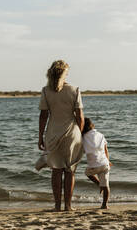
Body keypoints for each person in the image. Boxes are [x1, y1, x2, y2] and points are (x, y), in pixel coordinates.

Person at [38, 60, 84, 211]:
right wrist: (82, 134)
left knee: (56, 171)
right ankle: (68, 207)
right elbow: (79, 116)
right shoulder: (75, 89)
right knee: (70, 171)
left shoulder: (46, 91)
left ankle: (57, 206)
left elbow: (44, 116)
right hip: (72, 134)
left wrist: (40, 136)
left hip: (53, 134)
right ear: (64, 74)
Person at [82, 118, 111, 209]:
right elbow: (106, 149)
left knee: (87, 173)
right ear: (92, 125)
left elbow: (81, 150)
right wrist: (108, 161)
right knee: (106, 185)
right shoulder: (101, 135)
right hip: (104, 164)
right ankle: (104, 204)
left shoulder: (83, 137)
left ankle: (99, 184)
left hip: (93, 166)